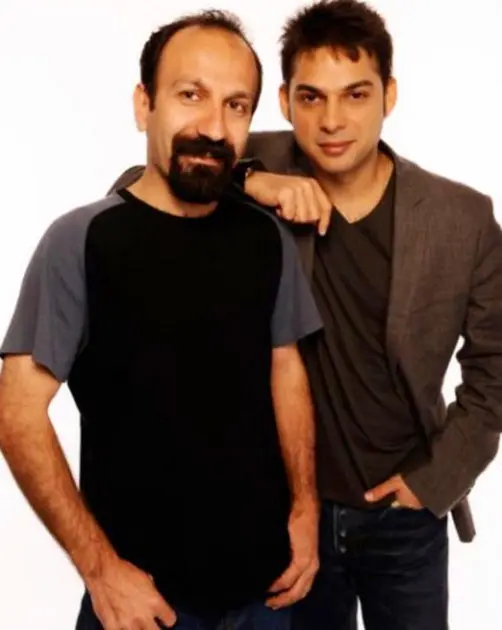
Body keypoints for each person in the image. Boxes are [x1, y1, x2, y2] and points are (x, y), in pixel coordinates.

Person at [110, 1, 502, 629]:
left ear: (389, 95)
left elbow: (495, 371)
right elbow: (136, 185)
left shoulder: (463, 218)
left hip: (405, 517)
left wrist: (434, 482)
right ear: (286, 102)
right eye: (312, 98)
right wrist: (249, 182)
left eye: (356, 95)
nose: (332, 120)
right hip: (290, 516)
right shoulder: (252, 162)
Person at [0, 10, 325, 630]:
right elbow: (17, 411)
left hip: (266, 594)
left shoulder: (267, 239)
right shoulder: (80, 240)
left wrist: (306, 510)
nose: (213, 126)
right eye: (190, 95)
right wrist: (100, 569)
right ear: (143, 104)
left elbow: (286, 370)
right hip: (142, 607)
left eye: (236, 105)